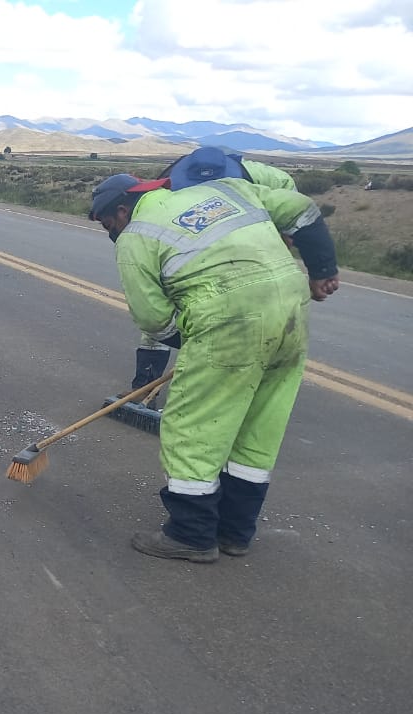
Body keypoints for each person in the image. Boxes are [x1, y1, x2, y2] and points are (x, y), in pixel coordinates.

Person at [88, 172, 337, 562]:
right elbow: (301, 210)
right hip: (291, 312)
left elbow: (154, 321)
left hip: (228, 321)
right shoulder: (224, 189)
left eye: (108, 225)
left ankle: (192, 534)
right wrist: (323, 269)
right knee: (258, 426)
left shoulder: (137, 236)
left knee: (193, 427)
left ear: (122, 209)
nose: (111, 234)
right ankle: (235, 533)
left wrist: (198, 346)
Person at [121, 146, 341, 395]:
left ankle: (239, 368)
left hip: (255, 245)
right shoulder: (172, 184)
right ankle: (143, 388)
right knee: (167, 305)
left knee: (255, 302)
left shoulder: (270, 181)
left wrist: (320, 270)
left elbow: (297, 218)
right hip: (198, 247)